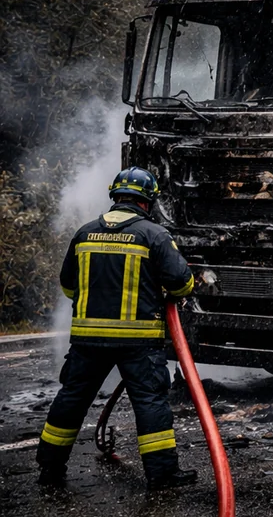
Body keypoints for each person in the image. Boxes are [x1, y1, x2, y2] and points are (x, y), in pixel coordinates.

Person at [36, 167, 197, 490]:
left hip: (87, 340)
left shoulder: (84, 233)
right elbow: (181, 283)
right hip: (138, 342)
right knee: (150, 403)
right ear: (147, 201)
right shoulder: (154, 235)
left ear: (115, 197)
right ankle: (162, 475)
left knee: (72, 399)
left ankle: (49, 468)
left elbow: (69, 285)